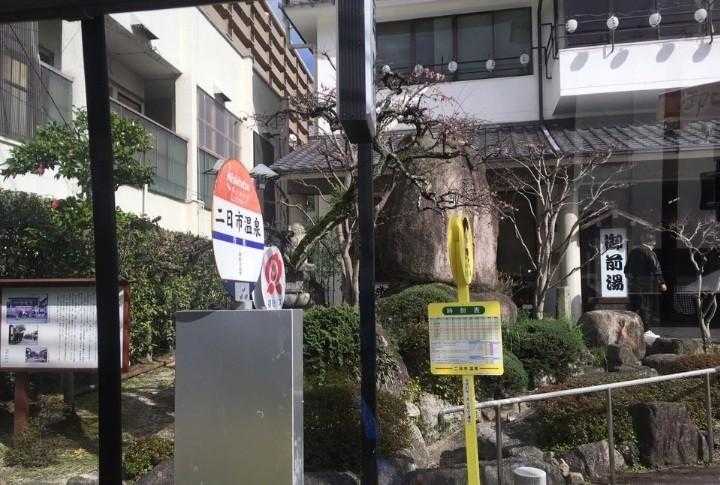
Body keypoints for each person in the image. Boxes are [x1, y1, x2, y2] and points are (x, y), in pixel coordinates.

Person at [624, 230, 667, 333]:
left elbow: (626, 270)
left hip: (634, 286)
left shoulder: (633, 252)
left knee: (634, 308)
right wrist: (662, 283)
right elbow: (656, 269)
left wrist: (632, 280)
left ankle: (631, 330)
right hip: (648, 286)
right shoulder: (650, 253)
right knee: (646, 308)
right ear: (653, 242)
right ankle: (646, 331)